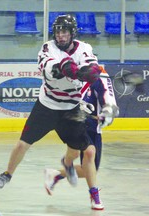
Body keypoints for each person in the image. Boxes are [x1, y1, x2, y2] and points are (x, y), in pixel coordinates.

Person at [0, 14, 106, 210]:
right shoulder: (48, 47)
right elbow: (48, 67)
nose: (60, 36)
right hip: (47, 106)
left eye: (65, 32)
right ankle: (7, 174)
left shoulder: (84, 48)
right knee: (23, 144)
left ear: (72, 33)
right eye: (58, 32)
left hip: (71, 108)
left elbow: (91, 65)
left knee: (82, 150)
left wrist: (89, 70)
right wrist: (66, 68)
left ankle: (78, 176)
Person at [44, 66, 119, 210]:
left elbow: (110, 102)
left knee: (90, 170)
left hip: (92, 126)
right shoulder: (67, 68)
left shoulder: (100, 74)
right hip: (72, 122)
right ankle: (94, 195)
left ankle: (57, 174)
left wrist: (106, 114)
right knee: (89, 152)